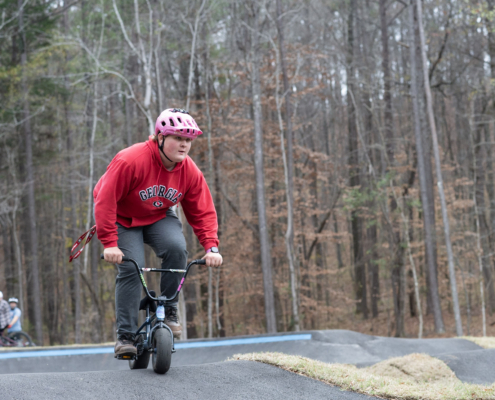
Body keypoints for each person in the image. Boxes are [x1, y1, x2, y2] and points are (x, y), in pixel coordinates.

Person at [94, 108, 222, 358]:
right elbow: (105, 200)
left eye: (188, 140)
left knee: (177, 249)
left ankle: (169, 309)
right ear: (160, 138)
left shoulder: (189, 170)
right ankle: (126, 335)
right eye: (178, 138)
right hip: (122, 218)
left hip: (158, 215)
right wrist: (109, 242)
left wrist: (211, 247)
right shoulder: (131, 160)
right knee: (131, 267)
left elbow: (203, 210)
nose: (184, 145)